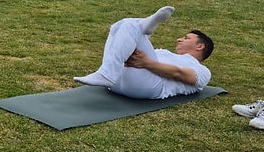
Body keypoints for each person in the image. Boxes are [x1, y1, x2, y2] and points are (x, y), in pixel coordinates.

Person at [73, 6, 214, 99]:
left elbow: (179, 73)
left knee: (130, 25)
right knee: (118, 26)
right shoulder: (165, 52)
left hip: (150, 87)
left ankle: (107, 73)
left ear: (200, 46)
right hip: (117, 82)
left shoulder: (202, 70)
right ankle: (108, 73)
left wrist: (147, 63)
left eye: (186, 38)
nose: (179, 39)